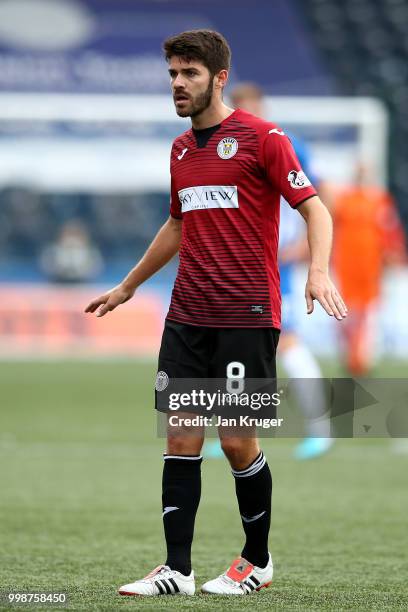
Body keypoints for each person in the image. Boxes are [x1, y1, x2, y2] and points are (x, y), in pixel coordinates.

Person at [85, 30, 347, 597]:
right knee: (180, 437)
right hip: (187, 316)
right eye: (174, 74)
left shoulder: (263, 138)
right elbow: (178, 223)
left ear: (219, 78)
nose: (178, 84)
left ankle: (257, 561)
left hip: (246, 314)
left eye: (190, 74)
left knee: (235, 441)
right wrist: (129, 285)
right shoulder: (181, 150)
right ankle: (177, 570)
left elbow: (317, 210)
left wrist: (318, 271)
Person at [225, 83, 333, 460]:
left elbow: (321, 197)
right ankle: (236, 432)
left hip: (276, 269)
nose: (244, 113)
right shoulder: (228, 146)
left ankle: (322, 430)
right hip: (240, 269)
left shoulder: (285, 143)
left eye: (250, 107)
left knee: (286, 344)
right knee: (238, 348)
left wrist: (306, 247)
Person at [331, 162, 406, 375]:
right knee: (345, 313)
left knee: (367, 313)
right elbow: (331, 228)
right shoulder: (343, 200)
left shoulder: (379, 199)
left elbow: (390, 230)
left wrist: (393, 253)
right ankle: (349, 355)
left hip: (370, 267)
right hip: (346, 266)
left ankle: (362, 358)